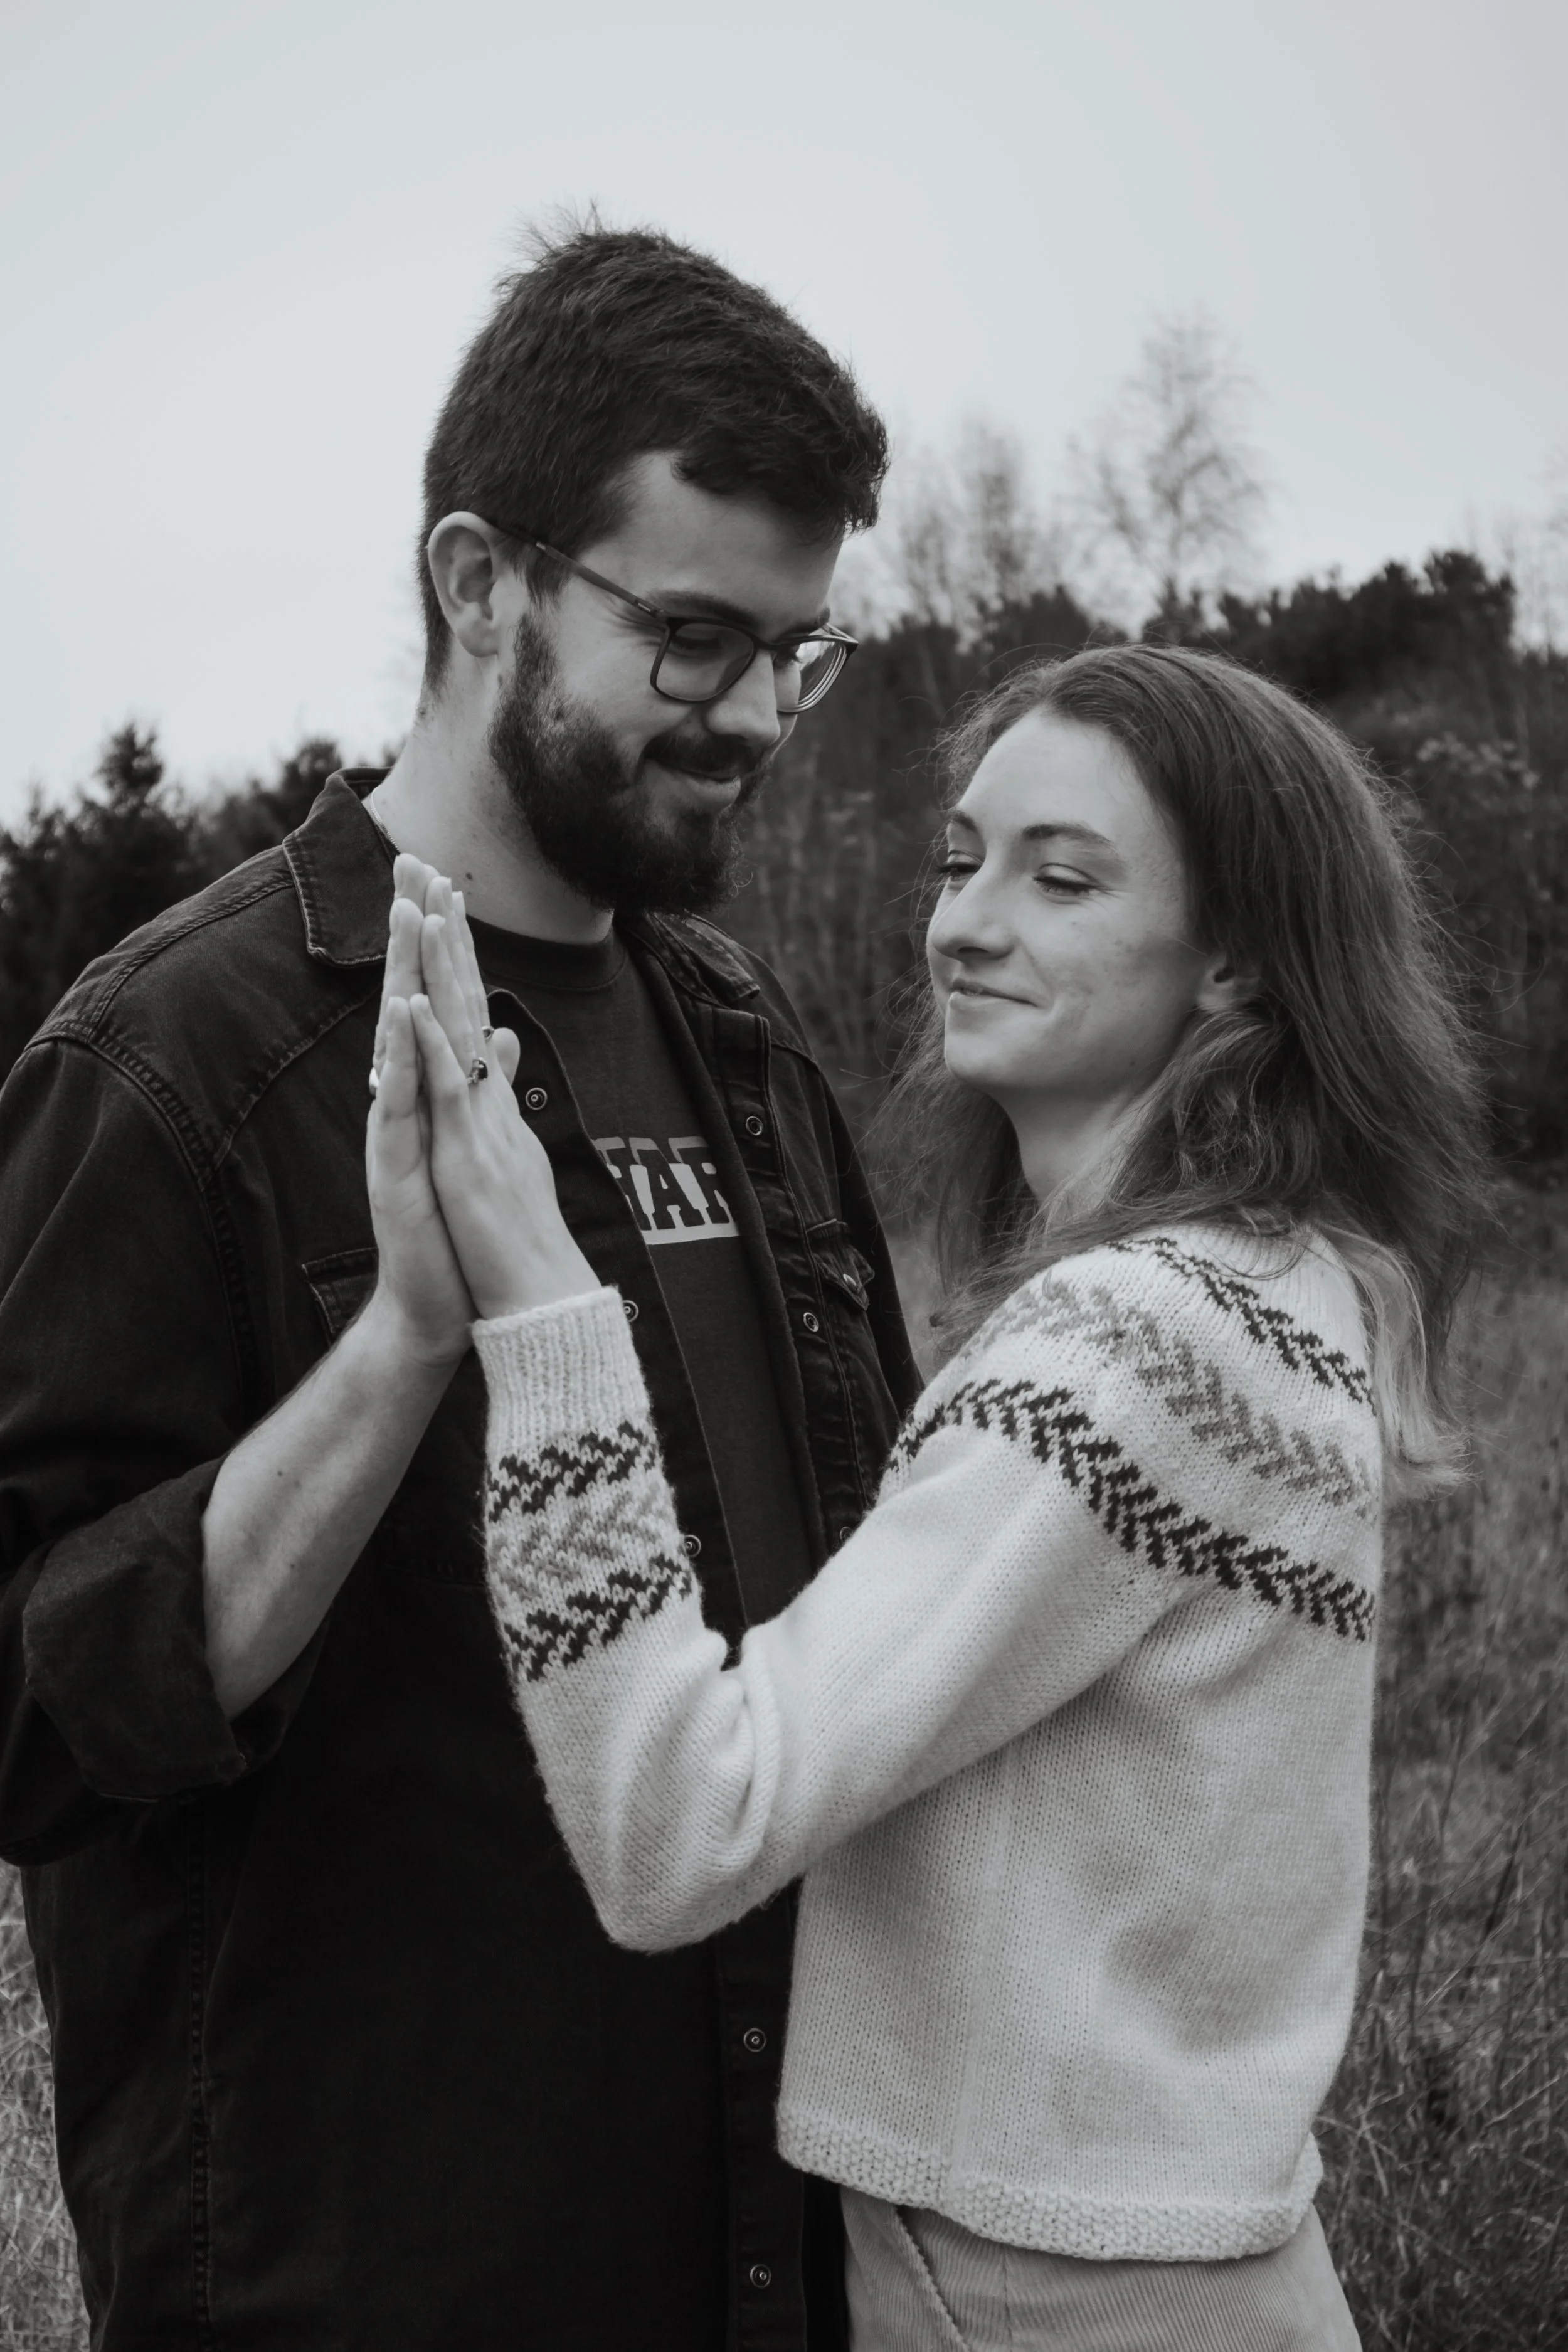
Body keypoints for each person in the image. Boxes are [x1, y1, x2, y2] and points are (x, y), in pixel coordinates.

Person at [0, 225, 916, 2350]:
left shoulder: (753, 1045)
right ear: (478, 581)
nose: (758, 714)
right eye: (691, 637)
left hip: (787, 2249)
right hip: (386, 2277)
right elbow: (32, 1717)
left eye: (802, 651)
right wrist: (399, 1345)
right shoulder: (178, 1067)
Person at [373, 643, 1490, 2351]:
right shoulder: (1294, 1286)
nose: (962, 924)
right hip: (1194, 2259)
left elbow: (681, 1827)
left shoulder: (1130, 1346)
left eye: (1063, 878)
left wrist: (539, 1303)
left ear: (1236, 970)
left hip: (1040, 2292)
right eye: (961, 860)